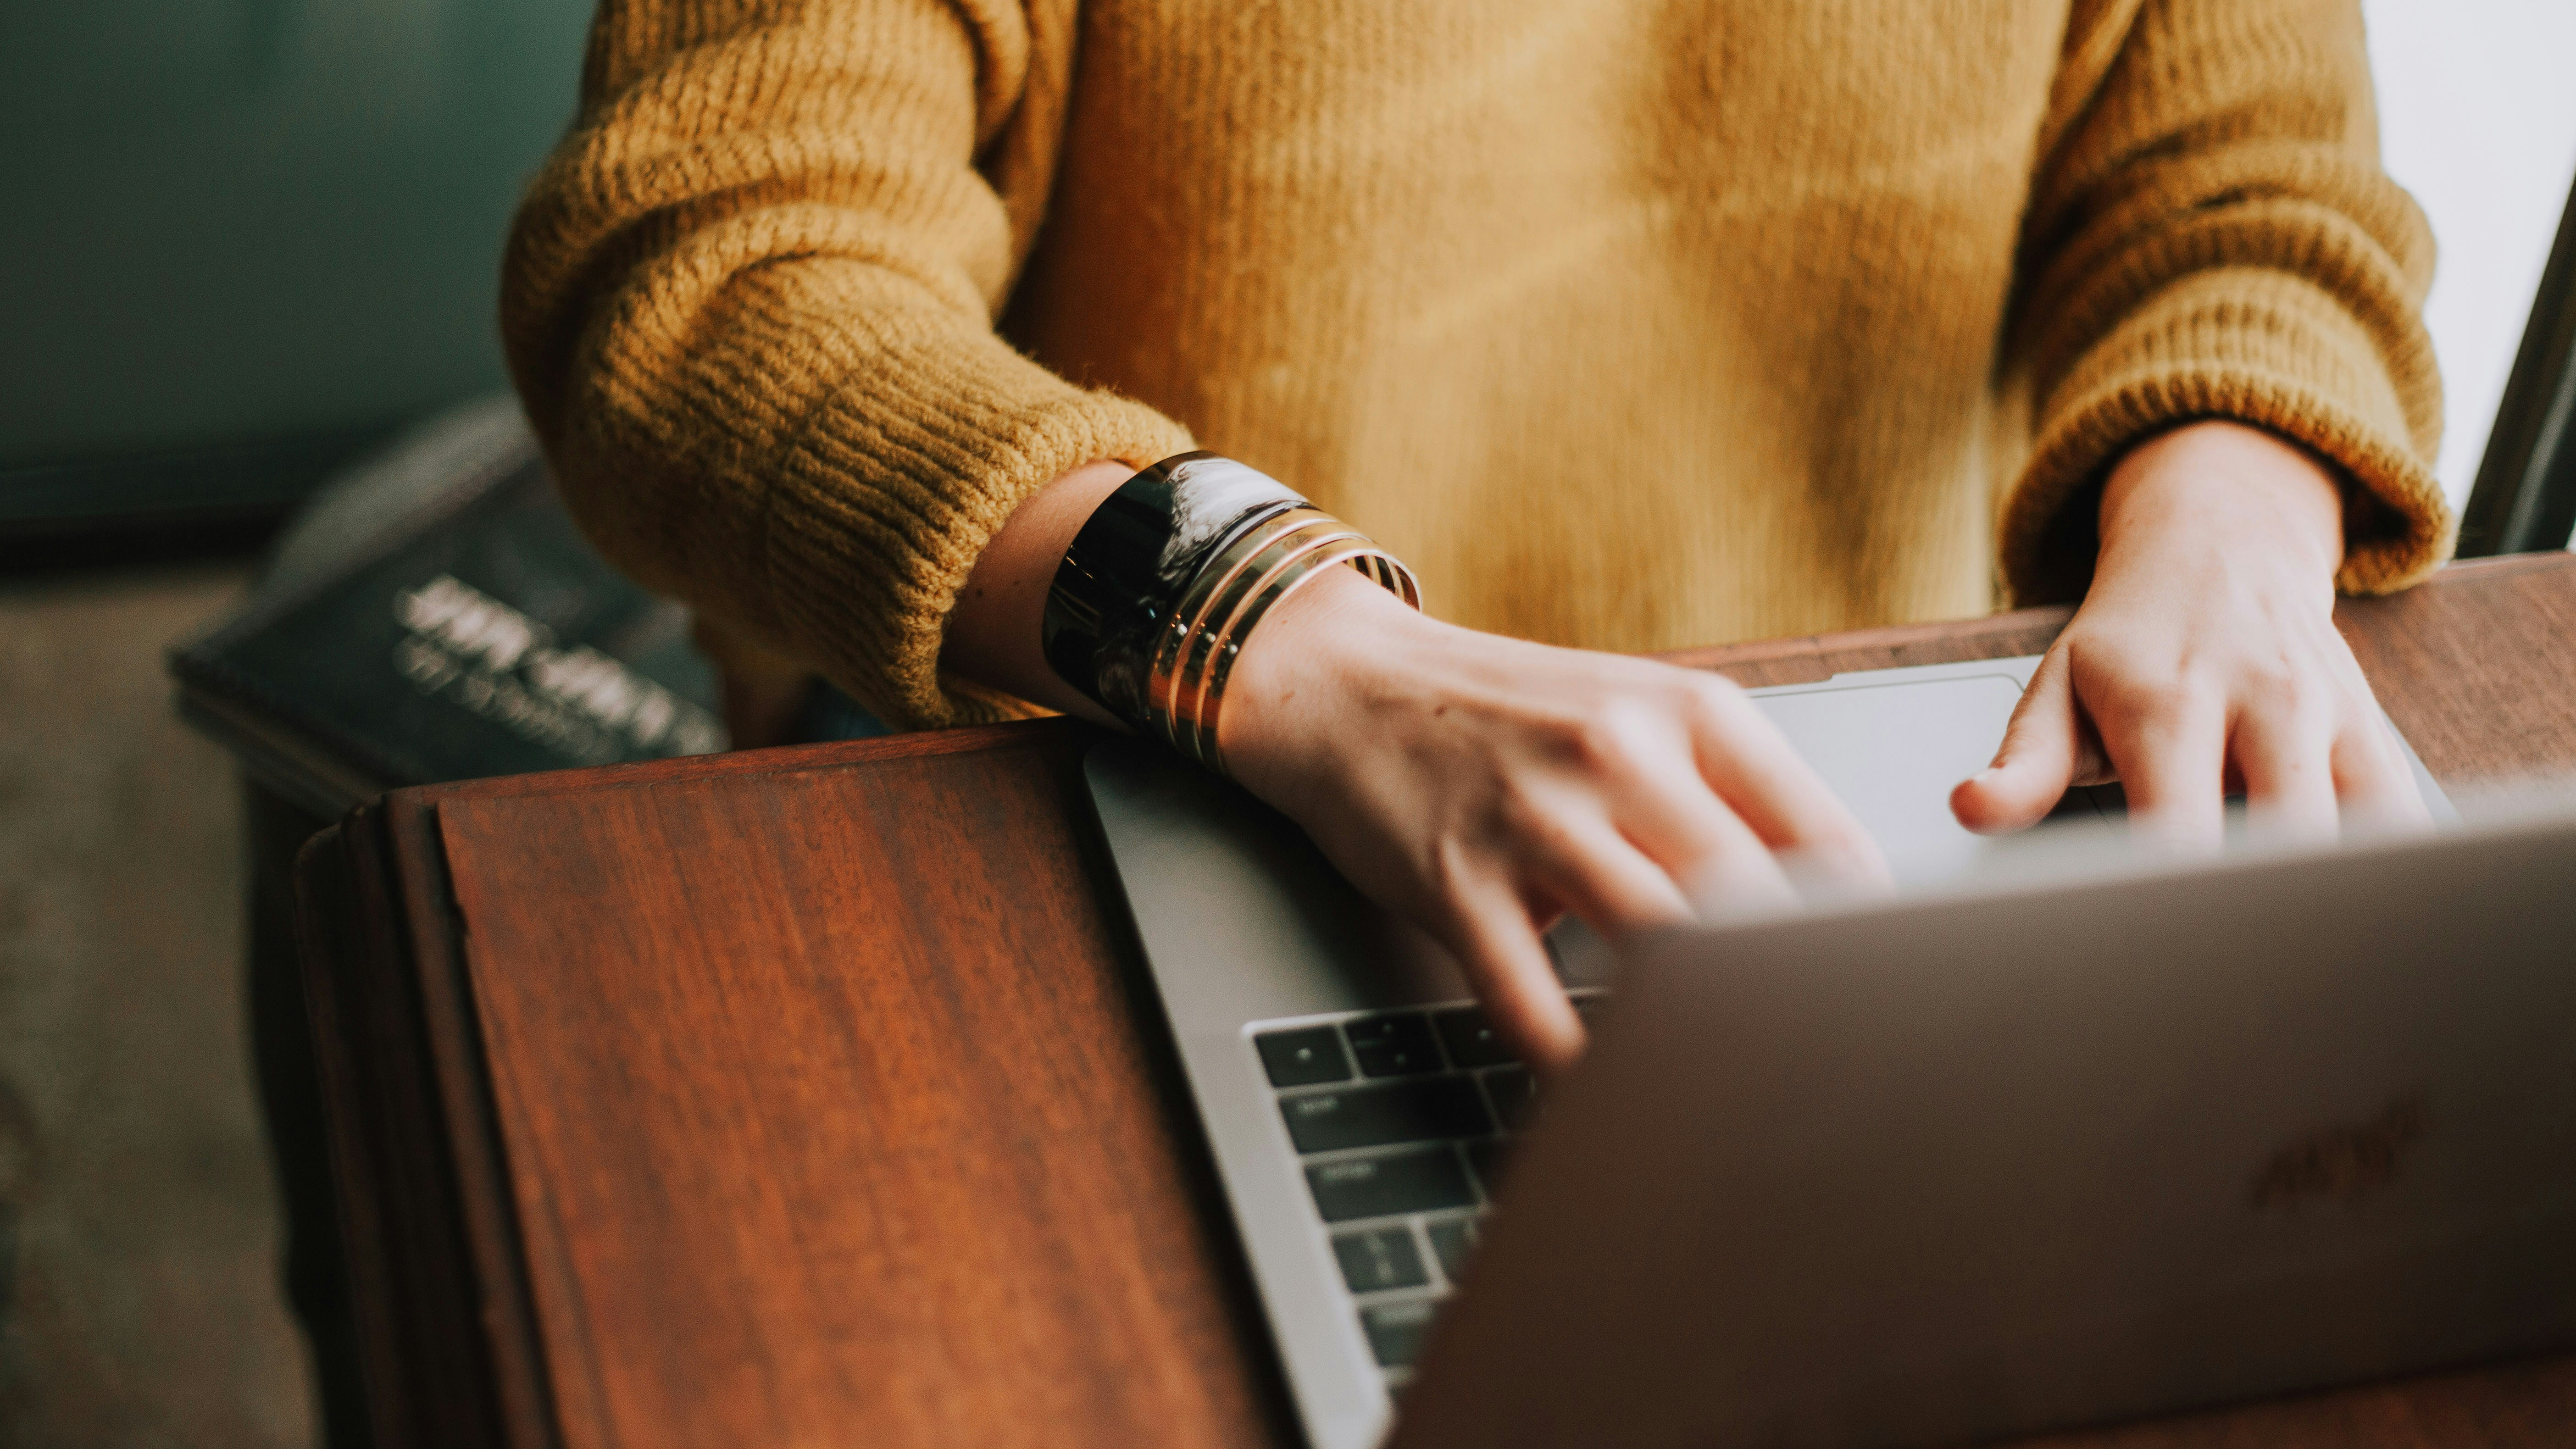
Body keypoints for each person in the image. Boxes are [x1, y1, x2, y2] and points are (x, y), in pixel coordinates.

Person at [502, 0, 2448, 1072]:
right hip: (1121, 766)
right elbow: (710, 273)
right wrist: (1296, 640)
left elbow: (2253, 182)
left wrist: (2233, 512)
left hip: (1860, 826)